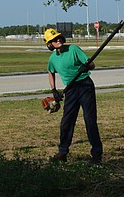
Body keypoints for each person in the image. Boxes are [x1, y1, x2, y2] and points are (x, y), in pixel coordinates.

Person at [44, 28, 103, 163]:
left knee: (90, 120)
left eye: (59, 37)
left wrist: (86, 66)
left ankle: (96, 154)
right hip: (71, 90)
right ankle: (62, 152)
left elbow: (92, 65)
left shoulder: (74, 49)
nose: (58, 40)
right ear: (49, 44)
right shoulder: (53, 58)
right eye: (54, 39)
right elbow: (50, 71)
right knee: (67, 121)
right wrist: (54, 90)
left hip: (85, 86)